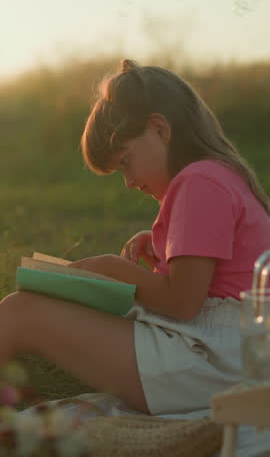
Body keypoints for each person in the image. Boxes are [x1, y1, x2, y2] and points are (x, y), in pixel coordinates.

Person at [1, 59, 270, 417]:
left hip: (213, 362)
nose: (127, 182)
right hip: (233, 356)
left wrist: (113, 268)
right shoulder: (218, 176)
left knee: (20, 313)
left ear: (159, 129)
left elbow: (182, 303)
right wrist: (169, 250)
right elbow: (215, 279)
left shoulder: (199, 183)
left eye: (125, 162)